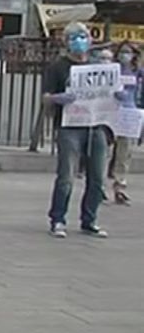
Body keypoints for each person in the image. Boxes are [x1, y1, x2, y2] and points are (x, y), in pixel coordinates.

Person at [42, 22, 113, 238]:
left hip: (96, 125)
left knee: (97, 177)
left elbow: (109, 92)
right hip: (69, 127)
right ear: (66, 42)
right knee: (66, 176)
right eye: (73, 37)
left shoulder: (95, 65)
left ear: (90, 40)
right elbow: (45, 98)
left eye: (82, 36)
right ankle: (58, 218)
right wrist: (57, 98)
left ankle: (89, 220)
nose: (79, 41)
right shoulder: (58, 67)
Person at [110, 41, 141, 205]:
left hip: (129, 114)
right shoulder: (112, 69)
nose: (125, 55)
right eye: (122, 51)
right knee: (106, 151)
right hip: (110, 112)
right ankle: (98, 186)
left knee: (124, 153)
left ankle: (119, 186)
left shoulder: (139, 72)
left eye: (128, 52)